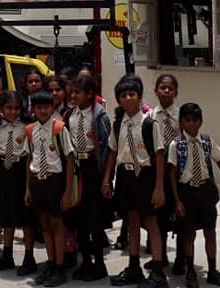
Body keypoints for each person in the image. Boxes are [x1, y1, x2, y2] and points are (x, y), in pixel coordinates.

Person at [103, 74, 167, 288]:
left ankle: (158, 271)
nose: (128, 98)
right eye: (123, 95)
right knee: (131, 221)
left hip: (146, 176)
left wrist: (159, 187)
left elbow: (159, 155)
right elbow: (113, 152)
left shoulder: (150, 124)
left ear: (140, 97)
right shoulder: (118, 124)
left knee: (151, 222)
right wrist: (107, 179)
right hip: (125, 175)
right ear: (119, 99)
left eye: (132, 94)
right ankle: (134, 267)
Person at [167, 103, 220, 288]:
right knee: (189, 234)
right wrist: (177, 200)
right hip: (186, 191)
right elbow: (173, 174)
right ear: (181, 122)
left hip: (205, 191)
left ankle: (213, 270)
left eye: (195, 120)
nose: (191, 124)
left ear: (201, 122)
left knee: (210, 232)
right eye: (187, 120)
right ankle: (190, 270)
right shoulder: (177, 145)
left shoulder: (207, 141)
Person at [25, 90, 75, 287]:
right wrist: (28, 189)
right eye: (39, 107)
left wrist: (67, 191)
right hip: (38, 181)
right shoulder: (30, 130)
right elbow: (29, 158)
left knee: (57, 225)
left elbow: (70, 159)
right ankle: (51, 263)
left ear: (52, 108)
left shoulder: (59, 128)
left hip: (55, 181)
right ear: (33, 109)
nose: (43, 111)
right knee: (44, 224)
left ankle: (60, 267)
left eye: (47, 107)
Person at [64, 75, 111, 282]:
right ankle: (85, 262)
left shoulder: (98, 116)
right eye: (72, 92)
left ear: (90, 94)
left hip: (93, 166)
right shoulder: (70, 116)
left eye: (78, 92)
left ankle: (99, 262)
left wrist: (105, 178)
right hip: (76, 166)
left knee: (94, 217)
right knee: (80, 216)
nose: (73, 96)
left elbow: (109, 147)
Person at [0, 90, 36, 275]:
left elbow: (30, 156)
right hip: (2, 172)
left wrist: (29, 186)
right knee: (6, 215)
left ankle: (29, 257)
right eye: (9, 108)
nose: (13, 112)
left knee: (25, 217)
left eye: (16, 108)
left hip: (21, 171)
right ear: (0, 109)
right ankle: (7, 255)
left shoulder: (27, 128)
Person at [149, 73, 181, 273]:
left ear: (176, 92)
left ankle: (181, 257)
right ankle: (160, 256)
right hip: (156, 171)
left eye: (170, 88)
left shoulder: (181, 115)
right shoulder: (150, 116)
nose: (166, 91)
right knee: (158, 217)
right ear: (156, 91)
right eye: (163, 87)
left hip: (176, 171)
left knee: (179, 217)